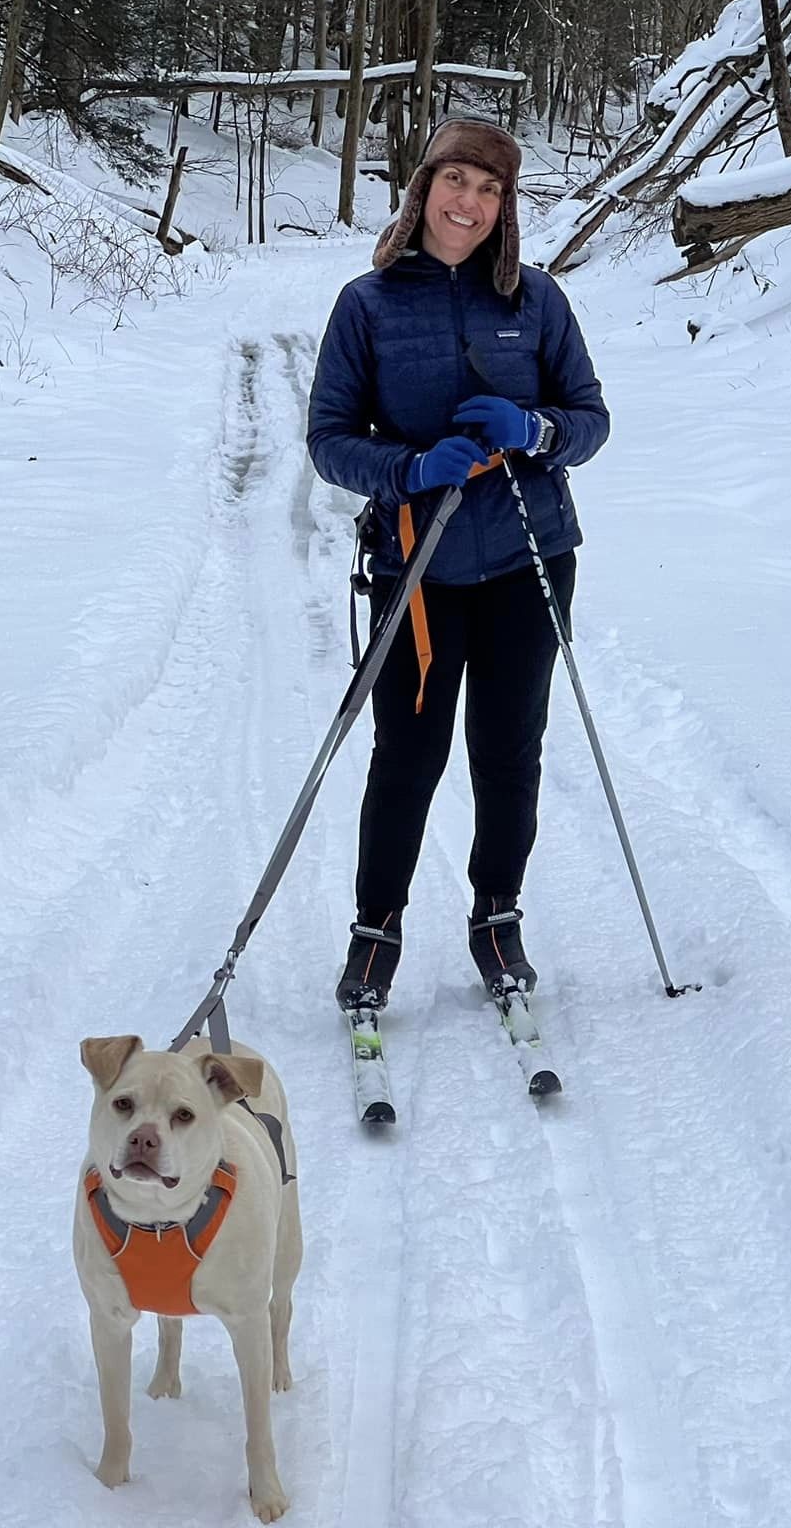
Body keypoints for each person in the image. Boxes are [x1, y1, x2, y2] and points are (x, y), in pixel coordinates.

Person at [306, 116, 611, 1012]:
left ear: (505, 205)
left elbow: (589, 418)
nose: (469, 204)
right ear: (424, 186)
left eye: (490, 189)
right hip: (418, 565)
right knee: (407, 753)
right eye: (457, 182)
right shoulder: (367, 304)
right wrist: (405, 470)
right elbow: (328, 441)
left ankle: (495, 915)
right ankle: (376, 926)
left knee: (509, 750)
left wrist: (538, 432)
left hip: (530, 556)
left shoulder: (537, 301)